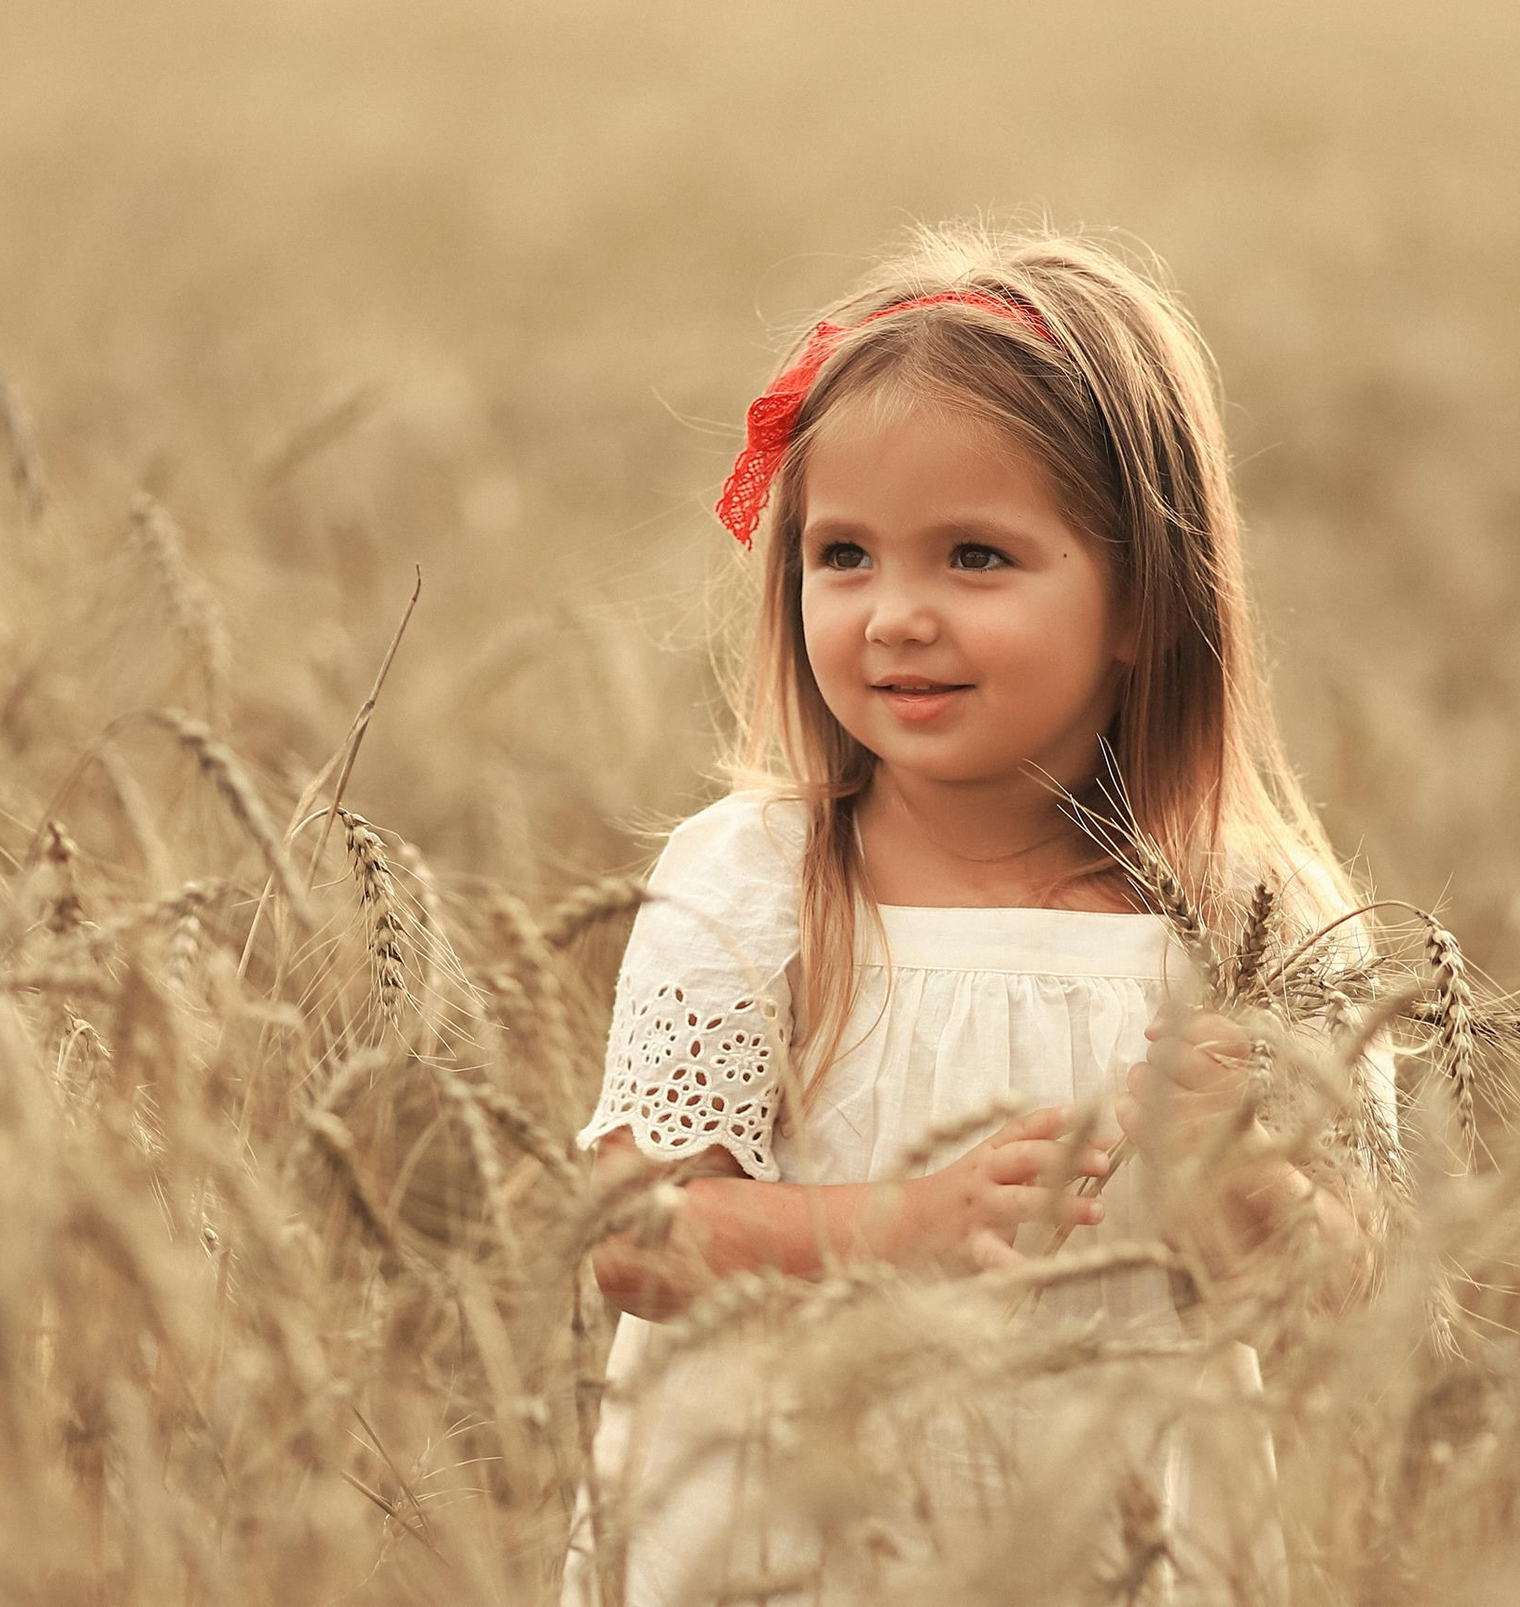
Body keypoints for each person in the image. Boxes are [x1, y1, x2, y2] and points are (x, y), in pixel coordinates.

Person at [558, 221, 1395, 1607]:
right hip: (781, 1542)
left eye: (975, 558)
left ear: (1140, 595)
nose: (896, 615)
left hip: (1103, 1545)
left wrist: (1238, 1182)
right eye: (845, 557)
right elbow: (632, 1236)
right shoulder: (755, 881)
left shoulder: (1256, 915)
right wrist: (898, 1226)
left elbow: (1338, 1286)